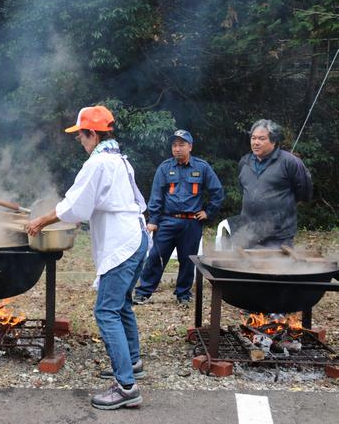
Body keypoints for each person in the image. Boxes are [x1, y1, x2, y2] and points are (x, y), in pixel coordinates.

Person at [26, 105, 149, 410]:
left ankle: (126, 387)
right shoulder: (120, 159)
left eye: (81, 135)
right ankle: (132, 363)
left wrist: (41, 221)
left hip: (122, 243)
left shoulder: (98, 164)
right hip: (137, 237)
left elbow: (74, 206)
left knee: (106, 311)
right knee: (121, 305)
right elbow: (91, 204)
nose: (79, 141)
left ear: (92, 134)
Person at [133, 130, 224, 306]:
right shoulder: (165, 168)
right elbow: (156, 195)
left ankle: (183, 294)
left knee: (188, 260)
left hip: (192, 222)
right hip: (167, 221)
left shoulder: (202, 167)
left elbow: (217, 192)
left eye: (181, 145)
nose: (177, 149)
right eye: (174, 145)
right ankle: (143, 292)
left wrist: (208, 212)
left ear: (190, 147)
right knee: (156, 257)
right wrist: (153, 220)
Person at [234, 119, 312, 248]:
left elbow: (304, 193)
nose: (256, 142)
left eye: (262, 138)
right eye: (253, 138)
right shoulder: (244, 162)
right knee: (247, 268)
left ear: (274, 141)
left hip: (278, 237)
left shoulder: (290, 162)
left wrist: (280, 212)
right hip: (248, 234)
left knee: (275, 268)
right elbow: (244, 191)